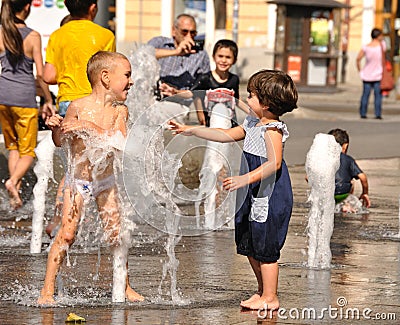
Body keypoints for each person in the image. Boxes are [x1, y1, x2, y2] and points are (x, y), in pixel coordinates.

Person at [169, 69, 298, 310]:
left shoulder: (272, 129)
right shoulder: (252, 122)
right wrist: (191, 130)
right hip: (251, 188)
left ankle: (271, 297)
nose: (246, 99)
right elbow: (226, 134)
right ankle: (261, 291)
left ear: (267, 104)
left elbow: (274, 163)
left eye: (251, 95)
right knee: (249, 240)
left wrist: (243, 180)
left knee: (266, 244)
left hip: (268, 193)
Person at [38, 51, 144, 305]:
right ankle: (47, 290)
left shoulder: (120, 111)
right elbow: (61, 141)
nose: (131, 82)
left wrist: (90, 128)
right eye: (127, 76)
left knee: (116, 235)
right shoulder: (78, 106)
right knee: (67, 234)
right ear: (106, 78)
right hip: (78, 182)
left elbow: (119, 142)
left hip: (106, 183)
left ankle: (126, 286)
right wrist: (55, 129)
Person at [43, 0, 116, 237]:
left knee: (74, 164)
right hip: (92, 104)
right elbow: (110, 74)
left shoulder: (57, 35)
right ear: (93, 8)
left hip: (66, 103)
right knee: (90, 166)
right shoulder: (104, 34)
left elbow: (48, 75)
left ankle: (61, 217)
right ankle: (72, 221)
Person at [0, 0, 54, 210]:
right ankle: (13, 182)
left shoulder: (2, 33)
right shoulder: (33, 37)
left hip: (3, 97)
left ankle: (15, 195)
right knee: (28, 152)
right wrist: (48, 100)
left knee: (13, 146)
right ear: (27, 8)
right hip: (24, 99)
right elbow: (40, 74)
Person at [147, 13, 210, 97]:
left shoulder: (201, 54)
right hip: (154, 96)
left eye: (193, 33)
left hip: (180, 100)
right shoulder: (160, 42)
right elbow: (145, 55)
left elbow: (202, 87)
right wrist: (176, 52)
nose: (189, 36)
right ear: (174, 31)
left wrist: (176, 92)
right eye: (184, 32)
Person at [191, 39, 241, 127]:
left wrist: (254, 113)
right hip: (210, 122)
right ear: (214, 57)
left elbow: (237, 101)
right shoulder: (205, 78)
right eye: (220, 56)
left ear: (235, 60)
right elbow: (195, 95)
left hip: (230, 122)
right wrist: (199, 113)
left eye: (228, 57)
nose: (224, 60)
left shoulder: (234, 79)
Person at [328, 129, 371, 209]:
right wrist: (365, 193)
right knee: (351, 181)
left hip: (327, 194)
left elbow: (307, 177)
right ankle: (346, 204)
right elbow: (363, 177)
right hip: (342, 194)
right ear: (345, 146)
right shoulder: (348, 159)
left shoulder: (322, 159)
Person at [356, 28, 385, 119]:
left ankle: (363, 113)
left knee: (365, 95)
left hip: (367, 75)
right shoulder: (382, 45)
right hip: (378, 74)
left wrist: (360, 71)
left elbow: (358, 59)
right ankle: (377, 114)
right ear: (378, 36)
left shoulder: (366, 47)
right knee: (378, 96)